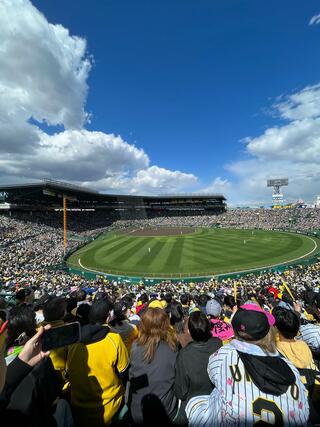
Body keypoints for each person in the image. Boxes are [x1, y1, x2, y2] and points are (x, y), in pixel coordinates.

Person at [186, 307, 309, 426]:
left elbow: (212, 374)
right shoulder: (290, 367)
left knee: (194, 403)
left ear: (236, 331)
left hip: (231, 419)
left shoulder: (226, 354)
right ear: (269, 331)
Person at [66, 297, 129, 426]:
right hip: (109, 408)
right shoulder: (114, 339)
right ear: (108, 317)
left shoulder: (73, 341)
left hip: (77, 409)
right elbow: (125, 373)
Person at [128, 307, 178, 425]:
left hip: (137, 411)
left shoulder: (135, 346)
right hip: (165, 411)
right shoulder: (172, 349)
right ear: (165, 325)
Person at [174, 311, 222, 425]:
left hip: (194, 407)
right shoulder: (218, 344)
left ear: (189, 332)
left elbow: (180, 392)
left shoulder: (184, 354)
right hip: (217, 401)